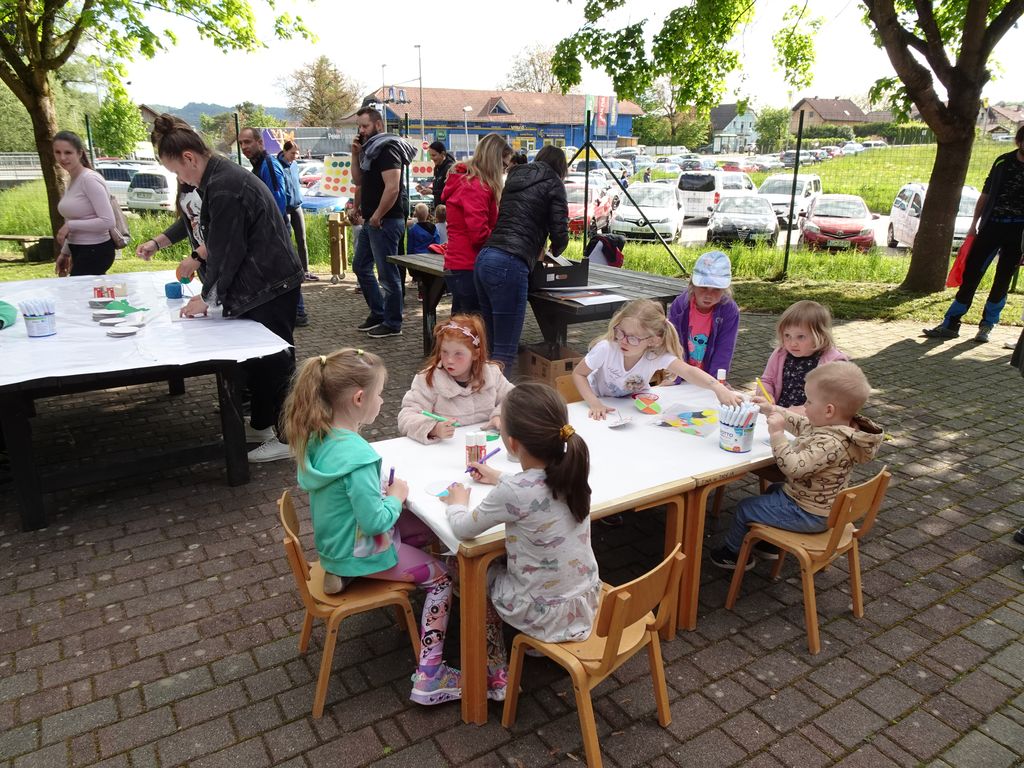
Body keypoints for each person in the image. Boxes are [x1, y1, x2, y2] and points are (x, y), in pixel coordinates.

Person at [283, 348, 461, 705]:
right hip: (361, 551)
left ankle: (346, 574)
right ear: (359, 398)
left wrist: (384, 496)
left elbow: (350, 501)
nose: (382, 401)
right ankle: (430, 677)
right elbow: (375, 521)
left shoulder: (319, 438)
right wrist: (395, 497)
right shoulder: (359, 457)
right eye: (379, 394)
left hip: (335, 545)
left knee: (423, 528)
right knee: (442, 577)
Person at [150, 114, 303, 463]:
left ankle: (290, 437)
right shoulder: (218, 178)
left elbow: (226, 250)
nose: (180, 179)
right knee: (259, 362)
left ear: (189, 158)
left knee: (276, 363)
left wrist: (207, 297)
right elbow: (223, 247)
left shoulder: (224, 186)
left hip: (272, 284)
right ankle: (263, 425)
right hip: (263, 283)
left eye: (176, 171)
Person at [443, 382, 600, 702]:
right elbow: (535, 490)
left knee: (463, 566)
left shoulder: (513, 492)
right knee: (506, 560)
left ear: (512, 443)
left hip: (541, 613)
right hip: (583, 604)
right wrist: (499, 476)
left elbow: (462, 529)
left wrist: (456, 503)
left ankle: (495, 672)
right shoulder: (572, 470)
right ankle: (536, 646)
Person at [709, 361, 883, 569]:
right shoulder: (837, 428)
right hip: (820, 506)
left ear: (828, 410)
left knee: (745, 508)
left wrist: (777, 434)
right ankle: (769, 545)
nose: (805, 406)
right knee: (774, 490)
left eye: (809, 401)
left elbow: (793, 468)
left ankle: (733, 555)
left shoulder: (830, 443)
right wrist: (771, 409)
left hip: (810, 514)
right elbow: (802, 424)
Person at [924, 125, 1024, 344]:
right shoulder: (1002, 162)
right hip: (992, 227)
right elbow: (985, 194)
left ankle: (987, 326)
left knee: (1002, 280)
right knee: (971, 275)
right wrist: (973, 225)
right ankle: (951, 324)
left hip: (1018, 232)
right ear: (1019, 142)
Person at [475, 145, 570, 368]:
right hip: (511, 262)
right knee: (505, 352)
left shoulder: (515, 176)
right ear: (561, 167)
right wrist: (557, 249)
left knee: (490, 346)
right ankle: (498, 392)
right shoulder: (554, 183)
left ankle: (482, 388)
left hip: (485, 258)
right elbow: (560, 229)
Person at [572, 299, 744, 420]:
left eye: (633, 338)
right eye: (620, 332)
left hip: (633, 408)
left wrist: (718, 388)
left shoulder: (654, 355)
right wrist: (594, 403)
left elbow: (688, 371)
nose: (623, 340)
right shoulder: (606, 349)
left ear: (653, 341)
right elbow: (578, 374)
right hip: (603, 404)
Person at [351, 107, 416, 338]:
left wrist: (378, 215)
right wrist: (355, 154)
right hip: (373, 220)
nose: (361, 130)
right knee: (360, 266)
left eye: (365, 126)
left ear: (378, 125)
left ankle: (393, 322)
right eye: (359, 126)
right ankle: (379, 313)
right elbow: (358, 180)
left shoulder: (387, 149)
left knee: (388, 275)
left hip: (385, 220)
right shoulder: (369, 150)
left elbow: (392, 187)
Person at [398, 315, 514, 444]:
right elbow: (406, 416)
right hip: (445, 449)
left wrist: (500, 416)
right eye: (444, 352)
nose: (449, 360)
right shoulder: (428, 379)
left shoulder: (491, 374)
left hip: (487, 446)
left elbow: (515, 399)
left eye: (458, 354)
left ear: (476, 354)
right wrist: (433, 428)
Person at [239, 128, 309, 327]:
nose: (244, 147)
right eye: (241, 143)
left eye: (248, 142)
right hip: (267, 229)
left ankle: (298, 311)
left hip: (275, 229)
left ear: (260, 143)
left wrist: (271, 230)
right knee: (278, 272)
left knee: (285, 270)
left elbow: (277, 199)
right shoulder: (258, 165)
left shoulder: (268, 164)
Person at [441, 133, 509, 315]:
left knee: (461, 323)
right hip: (469, 265)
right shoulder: (476, 186)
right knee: (474, 324)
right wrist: (503, 239)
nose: (504, 171)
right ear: (494, 160)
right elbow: (479, 235)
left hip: (460, 264)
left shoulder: (466, 181)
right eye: (503, 165)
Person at [759, 300, 848, 414]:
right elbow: (767, 380)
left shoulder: (834, 363)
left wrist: (794, 413)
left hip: (812, 420)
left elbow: (831, 402)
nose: (792, 343)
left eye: (800, 337)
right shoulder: (780, 353)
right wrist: (765, 395)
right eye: (787, 335)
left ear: (820, 335)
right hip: (777, 414)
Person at [53, 130, 116, 277]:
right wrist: (65, 252)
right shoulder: (72, 179)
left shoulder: (89, 179)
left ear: (80, 153)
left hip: (96, 249)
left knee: (77, 291)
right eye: (57, 152)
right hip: (79, 248)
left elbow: (108, 221)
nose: (62, 157)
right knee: (84, 290)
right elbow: (73, 220)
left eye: (68, 152)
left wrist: (70, 226)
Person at [668, 251, 740, 378]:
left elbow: (724, 349)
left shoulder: (729, 310)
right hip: (682, 371)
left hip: (709, 376)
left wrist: (716, 381)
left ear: (725, 289)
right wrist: (676, 377)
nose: (708, 295)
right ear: (693, 285)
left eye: (716, 289)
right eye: (703, 287)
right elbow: (673, 343)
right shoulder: (679, 306)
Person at [278, 140, 317, 284]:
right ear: (285, 151)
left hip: (297, 206)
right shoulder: (278, 165)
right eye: (292, 153)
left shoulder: (294, 165)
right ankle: (288, 271)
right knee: (287, 241)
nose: (295, 156)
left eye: (297, 153)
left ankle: (305, 270)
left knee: (302, 239)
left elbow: (295, 182)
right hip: (285, 209)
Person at [418, 141, 456, 210]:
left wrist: (432, 192)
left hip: (448, 209)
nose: (431, 158)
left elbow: (450, 191)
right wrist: (426, 189)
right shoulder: (437, 167)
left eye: (434, 155)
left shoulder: (450, 169)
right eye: (430, 155)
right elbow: (438, 188)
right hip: (439, 209)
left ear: (442, 154)